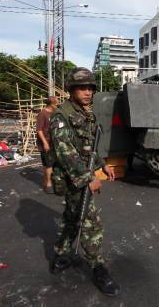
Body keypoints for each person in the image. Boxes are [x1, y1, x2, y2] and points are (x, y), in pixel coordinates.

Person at [49, 67, 119, 297]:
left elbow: (87, 146)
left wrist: (101, 164)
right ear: (71, 89)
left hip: (82, 173)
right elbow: (65, 152)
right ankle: (97, 266)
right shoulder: (61, 115)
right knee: (91, 223)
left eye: (90, 88)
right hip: (74, 177)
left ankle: (61, 254)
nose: (88, 92)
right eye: (82, 87)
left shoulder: (85, 113)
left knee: (71, 216)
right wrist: (89, 178)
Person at [36, 96, 59, 193]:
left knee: (51, 164)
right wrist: (45, 143)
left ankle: (47, 182)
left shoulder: (55, 113)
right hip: (46, 142)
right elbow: (39, 130)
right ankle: (49, 184)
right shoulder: (43, 114)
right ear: (51, 104)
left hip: (53, 142)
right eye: (57, 103)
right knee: (48, 164)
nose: (58, 104)